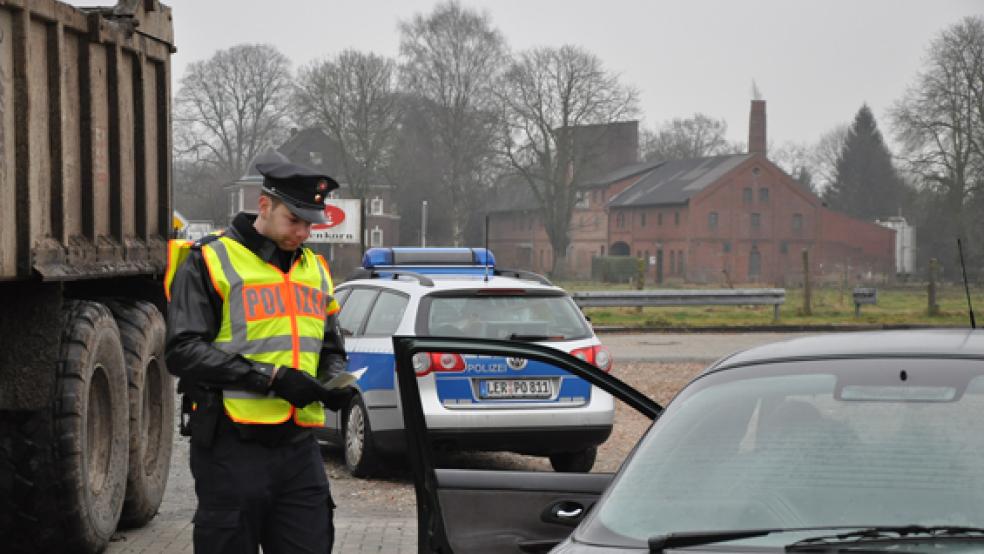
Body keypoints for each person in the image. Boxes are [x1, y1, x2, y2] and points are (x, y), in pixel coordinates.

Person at [164, 160, 350, 553]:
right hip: (232, 445)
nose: (302, 232)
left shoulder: (315, 269)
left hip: (299, 448)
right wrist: (271, 377)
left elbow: (330, 345)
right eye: (294, 219)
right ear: (264, 206)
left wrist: (334, 379)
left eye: (310, 223)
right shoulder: (209, 260)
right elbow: (182, 351)